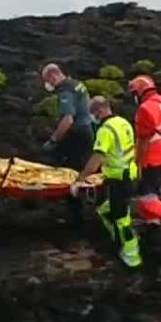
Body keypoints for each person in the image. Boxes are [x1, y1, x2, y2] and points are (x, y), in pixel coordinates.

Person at [73, 96, 142, 269]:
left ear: (99, 110)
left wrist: (80, 180)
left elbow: (97, 157)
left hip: (120, 179)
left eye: (93, 113)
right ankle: (118, 239)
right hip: (127, 175)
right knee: (105, 209)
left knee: (121, 218)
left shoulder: (106, 130)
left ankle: (131, 256)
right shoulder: (123, 123)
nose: (93, 117)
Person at [40, 63, 95, 223]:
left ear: (53, 76)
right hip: (87, 132)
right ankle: (82, 210)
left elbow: (68, 119)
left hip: (76, 136)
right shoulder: (78, 84)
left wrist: (53, 140)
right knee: (82, 173)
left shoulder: (65, 91)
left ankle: (76, 215)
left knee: (68, 173)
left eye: (47, 81)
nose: (48, 85)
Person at [128, 75, 161, 226]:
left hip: (154, 158)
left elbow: (143, 140)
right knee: (153, 192)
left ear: (139, 92)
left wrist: (138, 165)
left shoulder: (145, 109)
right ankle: (153, 224)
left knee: (145, 197)